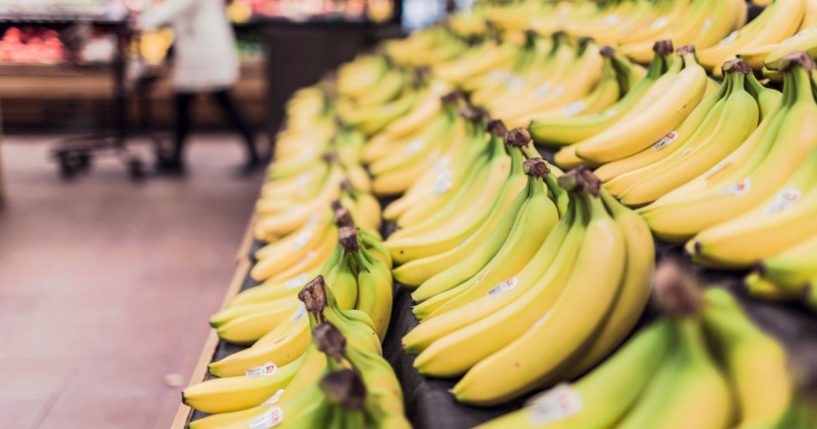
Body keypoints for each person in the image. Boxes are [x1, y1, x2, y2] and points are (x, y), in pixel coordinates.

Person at [137, 0, 262, 175]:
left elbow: (173, 7)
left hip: (206, 54)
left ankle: (253, 152)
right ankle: (177, 157)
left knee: (222, 102)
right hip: (199, 53)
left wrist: (142, 20)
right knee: (185, 104)